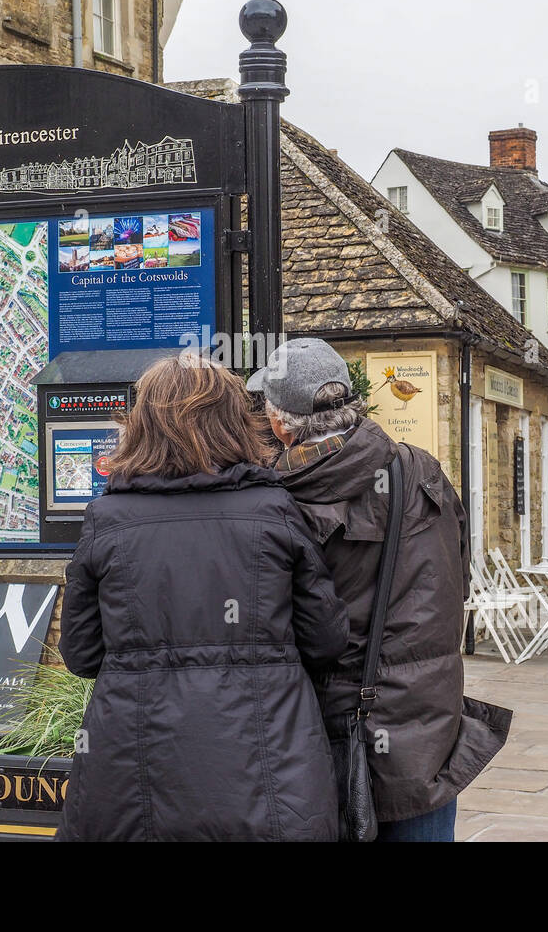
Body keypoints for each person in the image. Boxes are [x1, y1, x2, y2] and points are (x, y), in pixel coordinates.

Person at [56, 351, 349, 841]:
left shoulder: (107, 520)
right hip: (269, 773)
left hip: (132, 779)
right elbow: (324, 639)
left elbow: (82, 653)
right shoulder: (273, 510)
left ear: (141, 424)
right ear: (235, 421)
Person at [248, 338, 512, 843]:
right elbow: (458, 571)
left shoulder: (282, 498)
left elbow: (285, 622)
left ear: (281, 422)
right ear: (352, 402)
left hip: (333, 726)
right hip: (428, 722)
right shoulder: (420, 469)